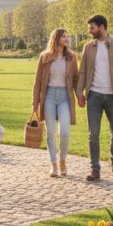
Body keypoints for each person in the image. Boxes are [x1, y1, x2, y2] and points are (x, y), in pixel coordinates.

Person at [76, 14, 113, 181]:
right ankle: (95, 169)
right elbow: (83, 71)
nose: (90, 31)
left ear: (101, 27)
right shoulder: (88, 47)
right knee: (93, 133)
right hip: (93, 95)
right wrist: (80, 93)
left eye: (92, 28)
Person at [32, 28, 79, 178]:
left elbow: (76, 79)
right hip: (49, 97)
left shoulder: (72, 57)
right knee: (51, 132)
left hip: (65, 96)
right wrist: (35, 103)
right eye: (64, 36)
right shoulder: (44, 57)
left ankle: (63, 160)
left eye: (67, 36)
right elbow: (37, 81)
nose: (67, 39)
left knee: (64, 132)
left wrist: (80, 96)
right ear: (56, 38)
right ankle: (53, 165)